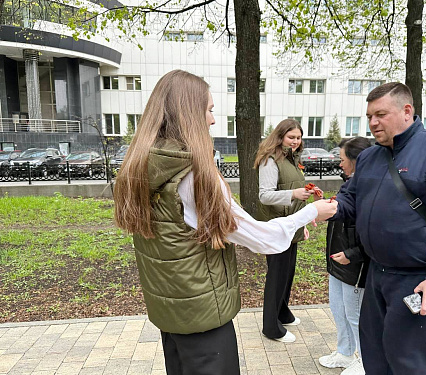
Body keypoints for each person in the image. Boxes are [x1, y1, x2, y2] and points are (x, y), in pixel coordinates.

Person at [113, 70, 337, 375]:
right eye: (209, 110)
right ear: (189, 114)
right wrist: (312, 212)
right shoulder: (194, 178)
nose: (213, 120)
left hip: (170, 315)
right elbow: (264, 239)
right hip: (204, 321)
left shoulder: (139, 168)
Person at [334, 82, 426, 374]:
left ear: (406, 111)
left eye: (381, 114)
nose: (373, 122)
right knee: (376, 358)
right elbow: (349, 201)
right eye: (369, 116)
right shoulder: (369, 157)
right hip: (376, 276)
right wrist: (323, 208)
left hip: (417, 280)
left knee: (414, 365)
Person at [254, 119, 316, 343]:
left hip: (292, 227)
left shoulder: (292, 159)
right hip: (278, 228)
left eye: (299, 138)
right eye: (292, 137)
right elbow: (265, 195)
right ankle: (271, 327)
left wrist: (303, 225)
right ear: (280, 137)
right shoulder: (270, 160)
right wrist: (293, 194)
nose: (296, 142)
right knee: (277, 277)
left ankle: (282, 312)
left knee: (287, 275)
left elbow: (297, 193)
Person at [319, 137, 371, 375]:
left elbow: (374, 230)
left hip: (355, 263)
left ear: (356, 160)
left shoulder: (371, 188)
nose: (339, 164)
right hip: (338, 258)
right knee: (339, 309)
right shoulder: (350, 183)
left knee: (356, 314)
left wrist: (353, 254)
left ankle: (365, 360)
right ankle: (345, 352)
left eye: (342, 160)